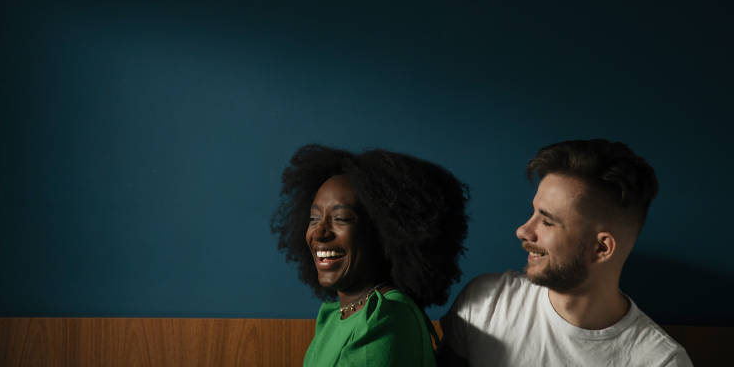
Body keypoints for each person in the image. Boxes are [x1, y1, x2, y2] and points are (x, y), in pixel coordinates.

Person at [439, 139, 693, 366]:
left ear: (601, 248)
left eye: (547, 222)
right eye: (533, 212)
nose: (522, 231)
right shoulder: (486, 304)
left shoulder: (660, 361)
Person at [271, 144, 469, 366]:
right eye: (314, 219)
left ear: (386, 234)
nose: (319, 232)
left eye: (341, 218)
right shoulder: (334, 315)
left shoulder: (386, 318)